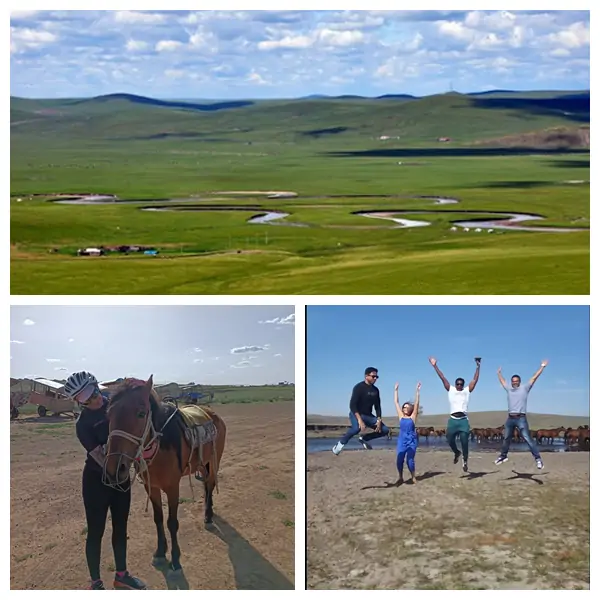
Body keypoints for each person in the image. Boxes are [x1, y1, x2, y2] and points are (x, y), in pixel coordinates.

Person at [64, 371, 147, 590]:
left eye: (93, 392)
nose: (93, 399)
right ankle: (96, 583)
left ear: (96, 385)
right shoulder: (83, 425)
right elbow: (103, 458)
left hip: (120, 479)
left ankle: (121, 576)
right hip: (96, 481)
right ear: (77, 402)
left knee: (121, 527)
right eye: (84, 398)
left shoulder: (114, 406)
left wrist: (137, 385)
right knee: (95, 531)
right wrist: (126, 453)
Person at [429, 356, 480, 472]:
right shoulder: (450, 389)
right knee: (449, 439)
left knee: (464, 442)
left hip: (463, 421)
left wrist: (478, 366)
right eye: (458, 384)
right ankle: (457, 452)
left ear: (463, 384)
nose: (459, 386)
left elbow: (475, 380)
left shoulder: (467, 391)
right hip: (453, 420)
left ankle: (465, 460)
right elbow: (442, 377)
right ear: (455, 384)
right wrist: (435, 365)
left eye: (461, 384)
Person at [494, 361, 548, 470]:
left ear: (519, 382)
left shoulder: (525, 388)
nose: (514, 383)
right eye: (513, 381)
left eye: (516, 381)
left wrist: (542, 367)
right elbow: (502, 381)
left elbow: (534, 378)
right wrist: (498, 373)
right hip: (510, 418)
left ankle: (538, 459)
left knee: (528, 438)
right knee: (506, 438)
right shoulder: (509, 388)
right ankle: (503, 456)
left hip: (521, 418)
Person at [332, 367, 391, 455]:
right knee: (356, 428)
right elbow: (352, 405)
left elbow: (377, 406)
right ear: (366, 376)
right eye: (373, 376)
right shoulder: (358, 387)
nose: (375, 378)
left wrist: (379, 419)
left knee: (385, 430)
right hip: (356, 413)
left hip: (368, 416)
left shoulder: (375, 390)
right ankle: (340, 444)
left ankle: (364, 439)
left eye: (376, 377)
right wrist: (360, 420)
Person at [393, 380, 421, 485]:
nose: (404, 408)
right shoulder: (401, 417)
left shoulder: (413, 417)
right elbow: (396, 402)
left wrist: (417, 391)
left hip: (411, 441)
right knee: (399, 460)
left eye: (406, 407)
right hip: (401, 441)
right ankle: (400, 477)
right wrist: (396, 390)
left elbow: (417, 403)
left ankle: (413, 476)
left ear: (410, 409)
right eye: (403, 407)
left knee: (410, 460)